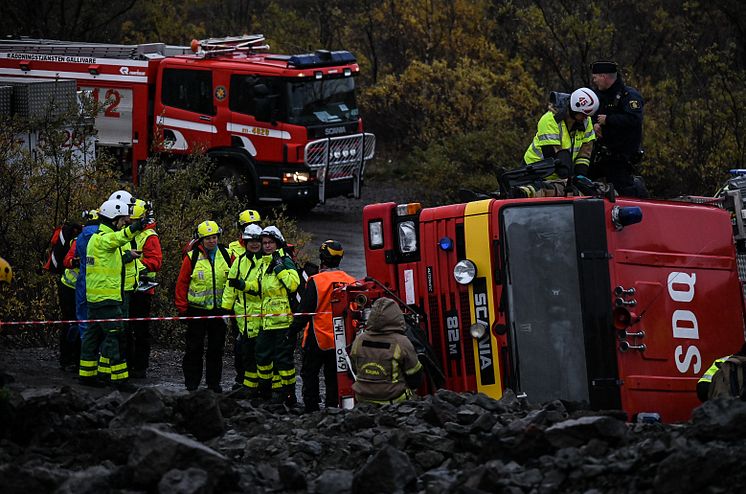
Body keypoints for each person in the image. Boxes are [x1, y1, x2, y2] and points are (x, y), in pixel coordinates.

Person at [79, 199, 145, 390]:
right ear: (114, 219)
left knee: (93, 336)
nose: (124, 223)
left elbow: (110, 260)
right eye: (122, 220)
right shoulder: (104, 238)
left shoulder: (96, 239)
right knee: (115, 336)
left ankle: (87, 375)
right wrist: (138, 226)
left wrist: (127, 255)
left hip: (95, 298)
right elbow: (119, 239)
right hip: (107, 299)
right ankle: (119, 379)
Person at [288, 240, 355, 412]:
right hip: (340, 339)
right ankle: (332, 407)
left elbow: (304, 311)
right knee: (333, 376)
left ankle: (311, 408)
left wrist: (291, 332)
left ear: (322, 257)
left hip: (317, 337)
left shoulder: (316, 281)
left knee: (310, 374)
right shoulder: (350, 281)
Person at [175, 220, 232, 392]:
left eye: (214, 237)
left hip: (219, 312)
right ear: (201, 240)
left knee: (216, 349)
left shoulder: (227, 254)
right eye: (208, 238)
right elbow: (182, 284)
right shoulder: (192, 257)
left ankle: (213, 384)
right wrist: (182, 309)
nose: (212, 241)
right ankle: (192, 383)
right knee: (194, 349)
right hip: (196, 311)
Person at [250, 225, 300, 404]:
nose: (267, 246)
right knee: (262, 356)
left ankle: (288, 394)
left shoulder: (284, 260)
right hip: (266, 321)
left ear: (278, 243)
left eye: (271, 242)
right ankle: (266, 391)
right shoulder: (262, 263)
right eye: (264, 243)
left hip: (283, 321)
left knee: (283, 361)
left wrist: (279, 269)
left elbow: (293, 284)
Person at [349, 297, 423, 404]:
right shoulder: (401, 342)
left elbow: (353, 369)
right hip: (392, 402)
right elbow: (415, 378)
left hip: (363, 400)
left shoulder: (359, 339)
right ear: (397, 316)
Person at [589, 60, 646, 197]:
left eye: (595, 78)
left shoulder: (629, 96)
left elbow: (634, 119)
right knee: (583, 179)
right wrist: (594, 125)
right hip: (601, 152)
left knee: (624, 190)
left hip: (621, 154)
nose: (594, 81)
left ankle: (640, 196)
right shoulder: (598, 95)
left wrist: (608, 120)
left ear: (604, 77)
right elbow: (589, 114)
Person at [524, 87, 599, 182]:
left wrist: (580, 175)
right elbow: (552, 153)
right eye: (583, 115)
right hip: (534, 171)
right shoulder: (550, 120)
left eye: (587, 116)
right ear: (574, 108)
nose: (585, 118)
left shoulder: (586, 121)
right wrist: (569, 177)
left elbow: (585, 150)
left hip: (560, 175)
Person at [222, 224, 264, 393]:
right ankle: (247, 385)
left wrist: (244, 285)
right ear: (244, 242)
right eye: (250, 241)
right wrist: (225, 310)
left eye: (257, 241)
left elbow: (262, 286)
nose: (254, 244)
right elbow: (230, 285)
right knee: (244, 354)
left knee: (261, 355)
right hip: (243, 318)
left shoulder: (266, 261)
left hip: (262, 318)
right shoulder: (239, 261)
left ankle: (262, 388)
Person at [126, 199, 162, 379]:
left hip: (142, 290)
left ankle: (140, 367)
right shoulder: (125, 233)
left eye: (133, 220)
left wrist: (133, 263)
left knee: (140, 331)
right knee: (125, 329)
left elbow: (156, 262)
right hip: (126, 288)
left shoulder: (149, 236)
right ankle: (126, 363)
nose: (130, 223)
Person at [74, 210, 100, 357]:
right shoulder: (103, 235)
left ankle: (86, 359)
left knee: (83, 322)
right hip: (100, 285)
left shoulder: (81, 236)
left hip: (83, 281)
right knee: (102, 324)